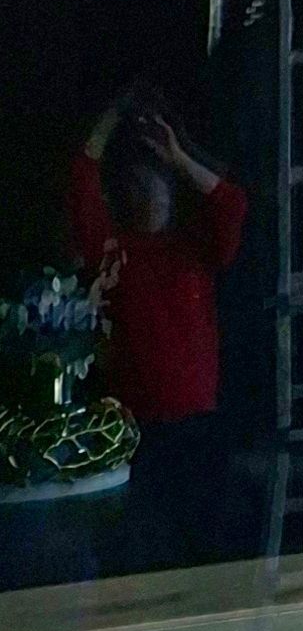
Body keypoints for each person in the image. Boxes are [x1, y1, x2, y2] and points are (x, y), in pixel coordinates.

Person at [70, 85, 249, 570]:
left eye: (156, 185)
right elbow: (81, 176)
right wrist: (113, 116)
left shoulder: (195, 250)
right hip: (132, 431)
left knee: (203, 549)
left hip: (195, 427)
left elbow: (231, 203)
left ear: (170, 193)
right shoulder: (113, 253)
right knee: (141, 554)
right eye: (136, 185)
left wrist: (176, 153)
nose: (147, 195)